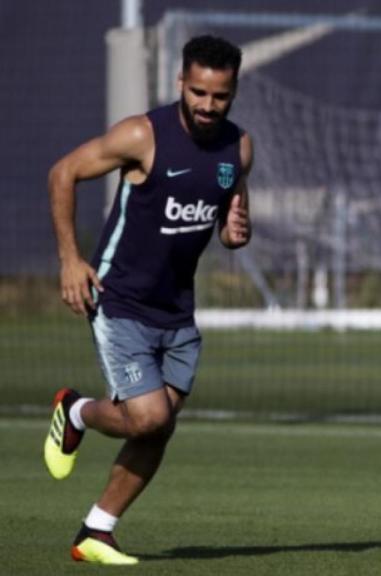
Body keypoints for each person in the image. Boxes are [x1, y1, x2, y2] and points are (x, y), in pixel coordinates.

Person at [44, 35, 252, 565]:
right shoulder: (143, 134)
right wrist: (70, 259)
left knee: (159, 427)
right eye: (198, 91)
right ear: (181, 82)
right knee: (149, 418)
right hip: (120, 300)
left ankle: (97, 531)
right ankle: (78, 412)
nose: (207, 105)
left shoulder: (239, 148)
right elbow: (62, 173)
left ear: (233, 92)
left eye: (220, 96)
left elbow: (230, 225)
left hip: (178, 311)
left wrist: (235, 232)